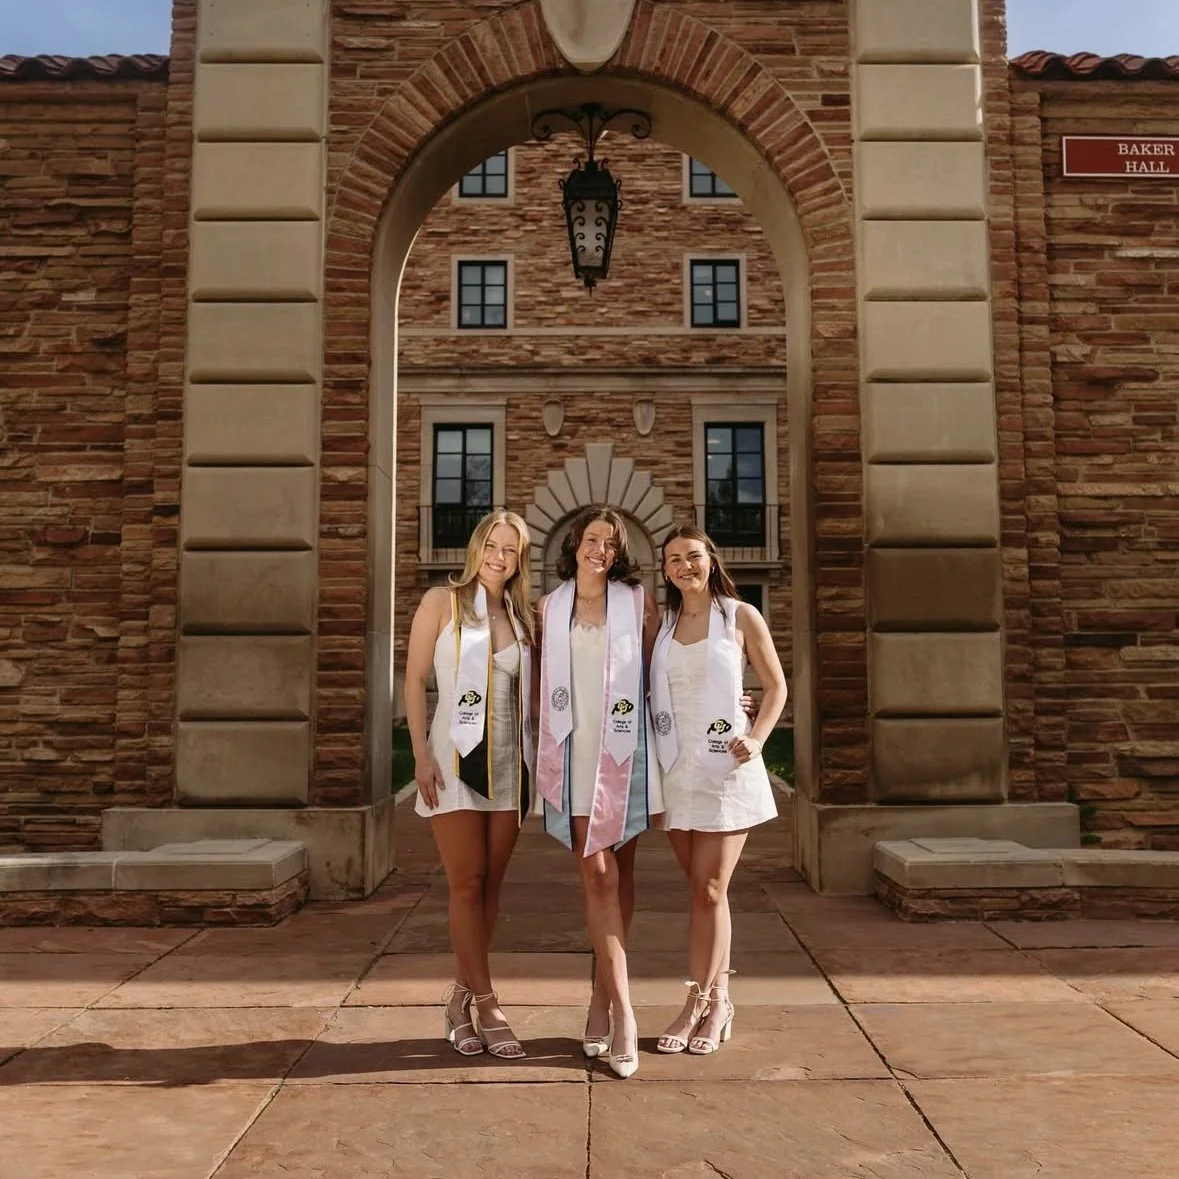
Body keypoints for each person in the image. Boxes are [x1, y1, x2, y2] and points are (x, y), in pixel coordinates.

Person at [649, 524, 788, 1056]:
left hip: (725, 772)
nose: (685, 567)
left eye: (693, 556)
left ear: (711, 560)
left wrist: (756, 737)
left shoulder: (740, 616)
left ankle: (698, 1002)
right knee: (704, 894)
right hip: (676, 769)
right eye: (674, 561)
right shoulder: (662, 625)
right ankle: (720, 998)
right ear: (665, 571)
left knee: (709, 890)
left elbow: (775, 685)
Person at [534, 505, 661, 1079]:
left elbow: (663, 670)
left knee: (623, 874)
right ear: (573, 543)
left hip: (624, 753)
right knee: (599, 875)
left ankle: (599, 998)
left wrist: (731, 705)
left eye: (612, 544)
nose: (601, 550)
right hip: (575, 753)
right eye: (592, 539)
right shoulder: (550, 609)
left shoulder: (636, 604)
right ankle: (626, 1016)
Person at [404, 509, 535, 1060]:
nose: (498, 557)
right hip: (454, 762)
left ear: (520, 559)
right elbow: (413, 679)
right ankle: (487, 1002)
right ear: (476, 547)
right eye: (491, 545)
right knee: (466, 881)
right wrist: (420, 756)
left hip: (509, 765)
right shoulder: (442, 602)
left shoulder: (522, 616)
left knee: (491, 886)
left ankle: (459, 999)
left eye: (510, 549)